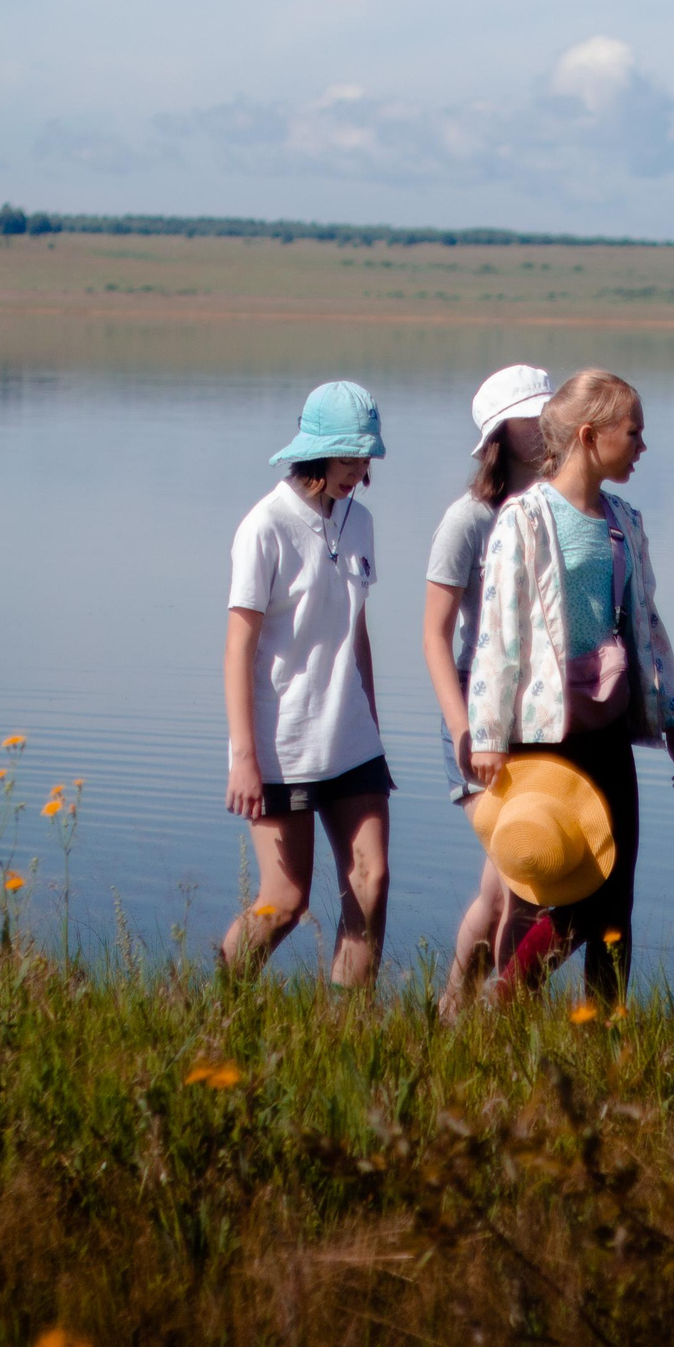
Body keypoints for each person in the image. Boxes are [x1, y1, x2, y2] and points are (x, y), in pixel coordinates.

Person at [466, 368, 674, 1004]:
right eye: (635, 432)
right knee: (566, 898)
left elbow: (648, 625)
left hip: (607, 733)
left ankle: (604, 1031)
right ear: (591, 436)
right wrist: (487, 734)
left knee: (616, 898)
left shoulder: (624, 520)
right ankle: (504, 1000)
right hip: (546, 736)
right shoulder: (525, 519)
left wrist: (672, 723)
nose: (643, 446)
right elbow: (498, 635)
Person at [220, 380, 393, 986]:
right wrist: (244, 758)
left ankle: (349, 1035)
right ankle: (224, 1004)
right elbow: (238, 648)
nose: (359, 469)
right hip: (280, 748)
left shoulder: (361, 520)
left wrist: (372, 723)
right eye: (348, 457)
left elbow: (357, 630)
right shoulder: (264, 526)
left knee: (372, 884)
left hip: (351, 740)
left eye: (364, 456)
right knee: (286, 904)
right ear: (316, 453)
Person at [424, 363, 554, 1015]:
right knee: (523, 879)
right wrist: (460, 728)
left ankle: (454, 1010)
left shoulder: (561, 509)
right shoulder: (467, 519)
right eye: (533, 415)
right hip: (481, 719)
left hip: (545, 719)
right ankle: (498, 1023)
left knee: (501, 890)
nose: (546, 424)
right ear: (503, 431)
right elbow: (434, 634)